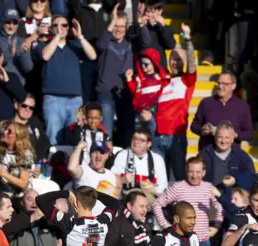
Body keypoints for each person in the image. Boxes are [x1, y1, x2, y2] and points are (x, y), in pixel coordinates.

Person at [152, 157, 223, 246]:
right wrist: (165, 226)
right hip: (181, 243)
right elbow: (157, 204)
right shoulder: (178, 187)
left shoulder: (208, 187)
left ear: (203, 172)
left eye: (198, 172)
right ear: (186, 171)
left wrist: (216, 226)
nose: (194, 175)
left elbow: (219, 208)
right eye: (191, 171)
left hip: (202, 242)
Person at [37, 15, 97, 145]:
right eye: (56, 25)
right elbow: (45, 56)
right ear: (51, 29)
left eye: (64, 25)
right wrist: (57, 36)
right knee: (53, 139)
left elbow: (92, 55)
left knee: (74, 138)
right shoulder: (43, 45)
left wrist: (80, 36)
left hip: (75, 101)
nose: (61, 28)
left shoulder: (75, 45)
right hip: (53, 99)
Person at [154, 23, 196, 182]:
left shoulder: (187, 80)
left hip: (176, 137)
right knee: (159, 180)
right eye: (173, 59)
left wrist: (187, 39)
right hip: (158, 137)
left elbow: (192, 62)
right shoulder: (162, 81)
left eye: (179, 59)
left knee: (179, 178)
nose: (175, 62)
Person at [96, 8, 142, 142]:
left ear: (127, 27)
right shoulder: (106, 39)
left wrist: (141, 23)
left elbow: (145, 41)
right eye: (116, 25)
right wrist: (111, 23)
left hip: (126, 91)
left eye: (122, 26)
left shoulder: (131, 42)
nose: (118, 29)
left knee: (127, 131)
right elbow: (100, 46)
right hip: (106, 91)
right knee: (106, 131)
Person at [197, 121, 256, 222]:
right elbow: (195, 176)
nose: (223, 141)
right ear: (215, 137)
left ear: (233, 139)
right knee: (212, 231)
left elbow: (252, 178)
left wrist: (235, 180)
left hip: (233, 205)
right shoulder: (204, 154)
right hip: (211, 204)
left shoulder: (241, 156)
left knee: (231, 232)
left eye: (227, 138)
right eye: (220, 137)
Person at [190, 72, 253, 150]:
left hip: (231, 155)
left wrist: (234, 135)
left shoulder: (242, 106)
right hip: (207, 152)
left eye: (224, 84)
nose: (220, 86)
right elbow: (194, 125)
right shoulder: (206, 102)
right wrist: (202, 130)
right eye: (218, 83)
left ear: (233, 86)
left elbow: (249, 134)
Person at [111, 127, 167, 206]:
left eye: (141, 140)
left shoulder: (157, 159)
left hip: (149, 197)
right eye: (134, 138)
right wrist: (122, 180)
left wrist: (154, 188)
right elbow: (110, 179)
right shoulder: (123, 155)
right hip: (127, 195)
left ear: (149, 144)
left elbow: (163, 186)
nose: (136, 142)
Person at [0, 8, 34, 86]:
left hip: (17, 86)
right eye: (8, 22)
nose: (11, 26)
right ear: (2, 22)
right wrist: (10, 54)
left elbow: (28, 68)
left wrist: (23, 54)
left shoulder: (22, 42)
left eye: (15, 23)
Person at [125, 47, 166, 136]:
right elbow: (135, 92)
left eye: (146, 64)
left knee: (152, 133)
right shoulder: (140, 78)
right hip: (140, 111)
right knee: (139, 134)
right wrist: (129, 79)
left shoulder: (161, 77)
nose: (143, 66)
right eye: (141, 63)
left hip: (155, 110)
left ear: (154, 63)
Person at [0, 120, 35, 199]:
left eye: (9, 132)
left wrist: (1, 172)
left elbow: (23, 183)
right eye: (6, 129)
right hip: (1, 195)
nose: (5, 132)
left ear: (18, 137)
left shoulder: (26, 155)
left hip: (20, 198)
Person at [13, 94, 49, 161]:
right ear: (16, 105)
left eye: (31, 108)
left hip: (36, 165)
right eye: (24, 106)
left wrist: (41, 160)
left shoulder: (34, 121)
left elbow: (44, 142)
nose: (27, 110)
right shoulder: (10, 126)